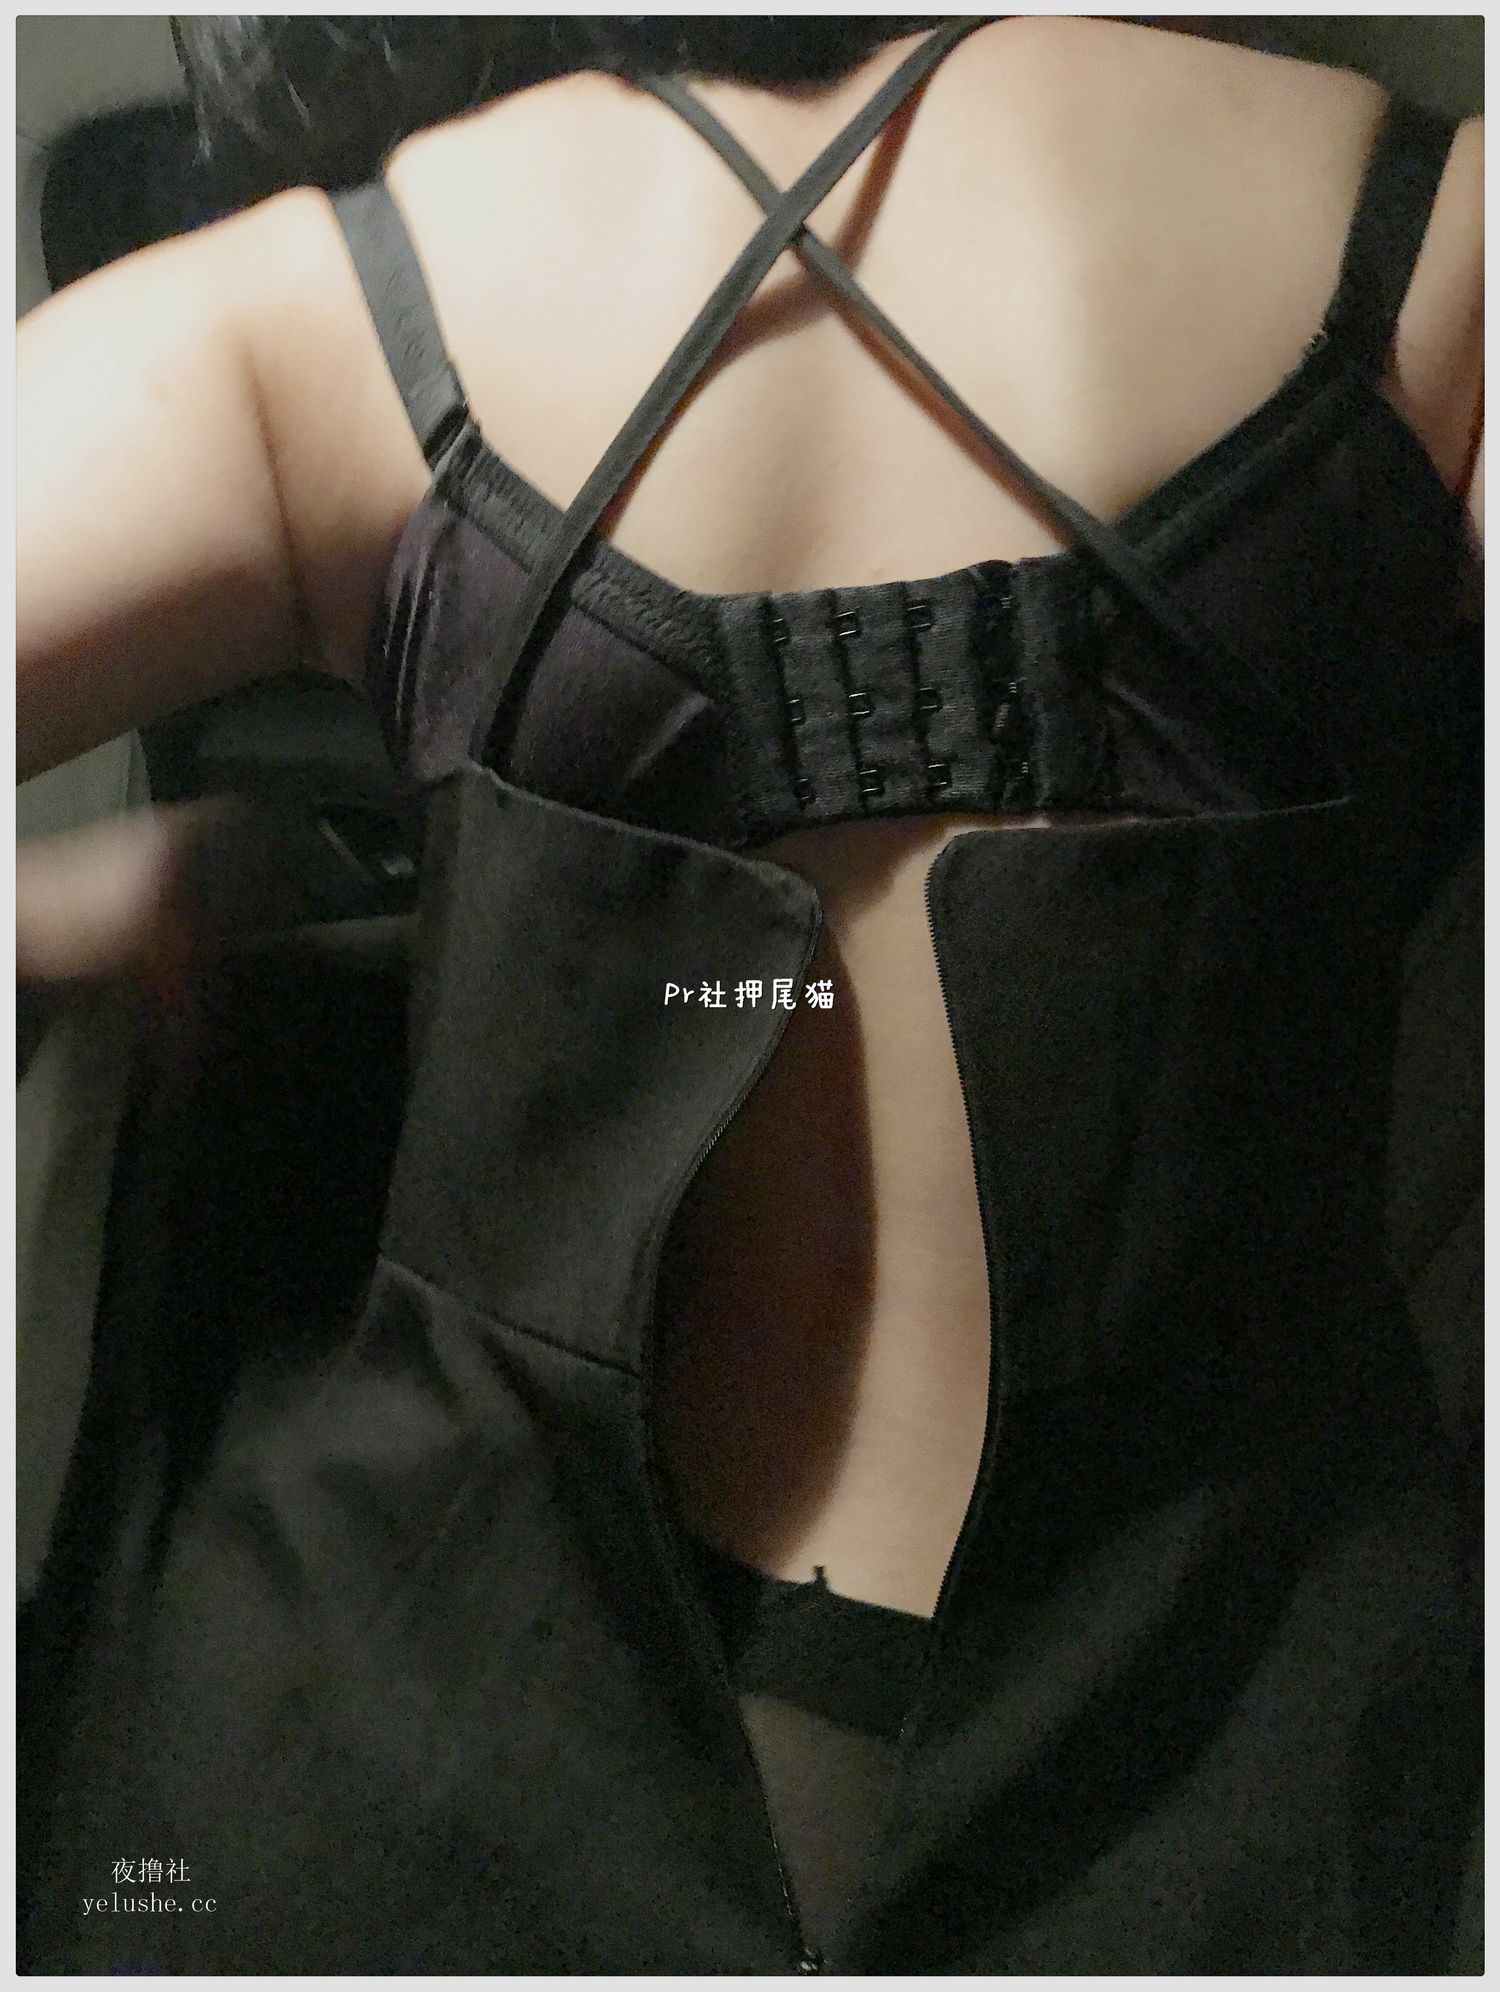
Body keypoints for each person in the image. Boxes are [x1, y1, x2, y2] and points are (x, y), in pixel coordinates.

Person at [17, 15, 1483, 1973]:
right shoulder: (1442, 235)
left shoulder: (326, 302)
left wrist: (111, 904)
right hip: (1226, 1769)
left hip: (403, 1739)